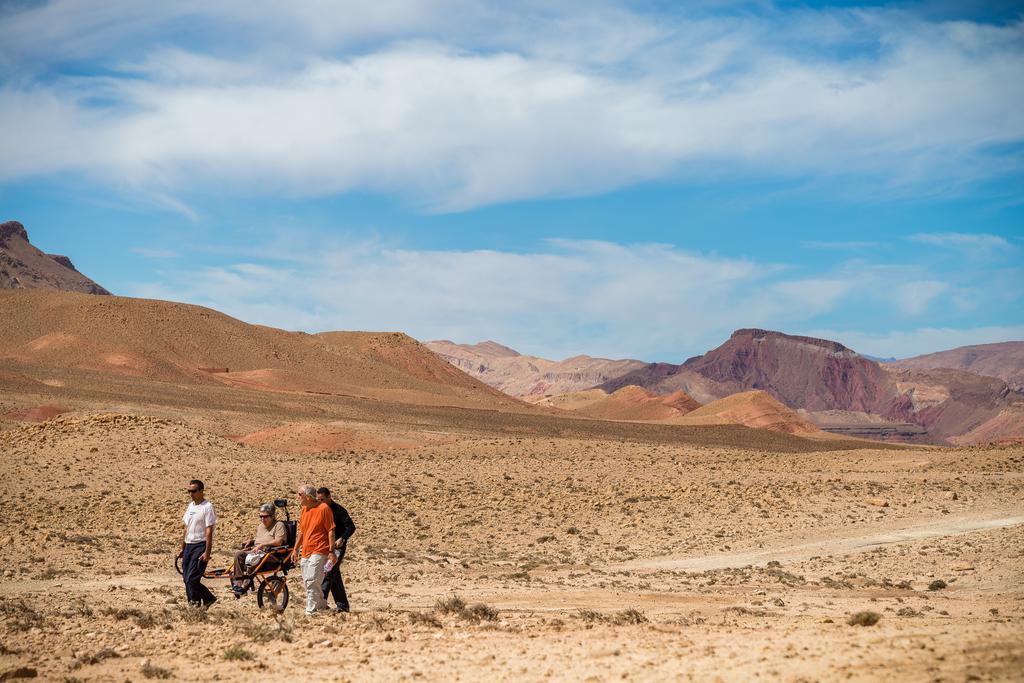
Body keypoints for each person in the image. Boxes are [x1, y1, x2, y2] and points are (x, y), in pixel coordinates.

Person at [290, 484, 335, 615]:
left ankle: (311, 610)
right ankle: (321, 606)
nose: (298, 497)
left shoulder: (324, 509)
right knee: (308, 581)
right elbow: (302, 532)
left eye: (300, 494)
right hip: (306, 551)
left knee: (311, 580)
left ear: (308, 497)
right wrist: (295, 549)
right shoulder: (304, 510)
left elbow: (331, 531)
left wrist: (331, 552)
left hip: (321, 550)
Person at [230, 503, 287, 595]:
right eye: (260, 516)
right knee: (239, 554)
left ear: (272, 516)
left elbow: (279, 541)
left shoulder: (279, 525)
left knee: (252, 559)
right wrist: (252, 541)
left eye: (265, 517)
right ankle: (238, 583)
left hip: (271, 555)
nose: (262, 519)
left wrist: (262, 545)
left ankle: (247, 583)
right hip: (257, 552)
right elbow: (260, 539)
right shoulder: (261, 526)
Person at [316, 487, 357, 613]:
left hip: (338, 548)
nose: (320, 502)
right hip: (326, 548)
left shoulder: (339, 510)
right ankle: (343, 606)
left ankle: (320, 604)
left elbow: (351, 527)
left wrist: (342, 538)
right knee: (334, 576)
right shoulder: (320, 510)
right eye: (318, 500)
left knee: (328, 573)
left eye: (323, 499)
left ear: (329, 497)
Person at [179, 479, 217, 608]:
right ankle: (203, 600)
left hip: (200, 545)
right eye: (189, 491)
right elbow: (186, 528)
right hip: (189, 545)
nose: (191, 494)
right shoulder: (191, 506)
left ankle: (196, 604)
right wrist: (182, 548)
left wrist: (207, 552)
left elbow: (209, 531)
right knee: (186, 578)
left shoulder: (207, 507)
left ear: (201, 491)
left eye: (194, 491)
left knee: (192, 578)